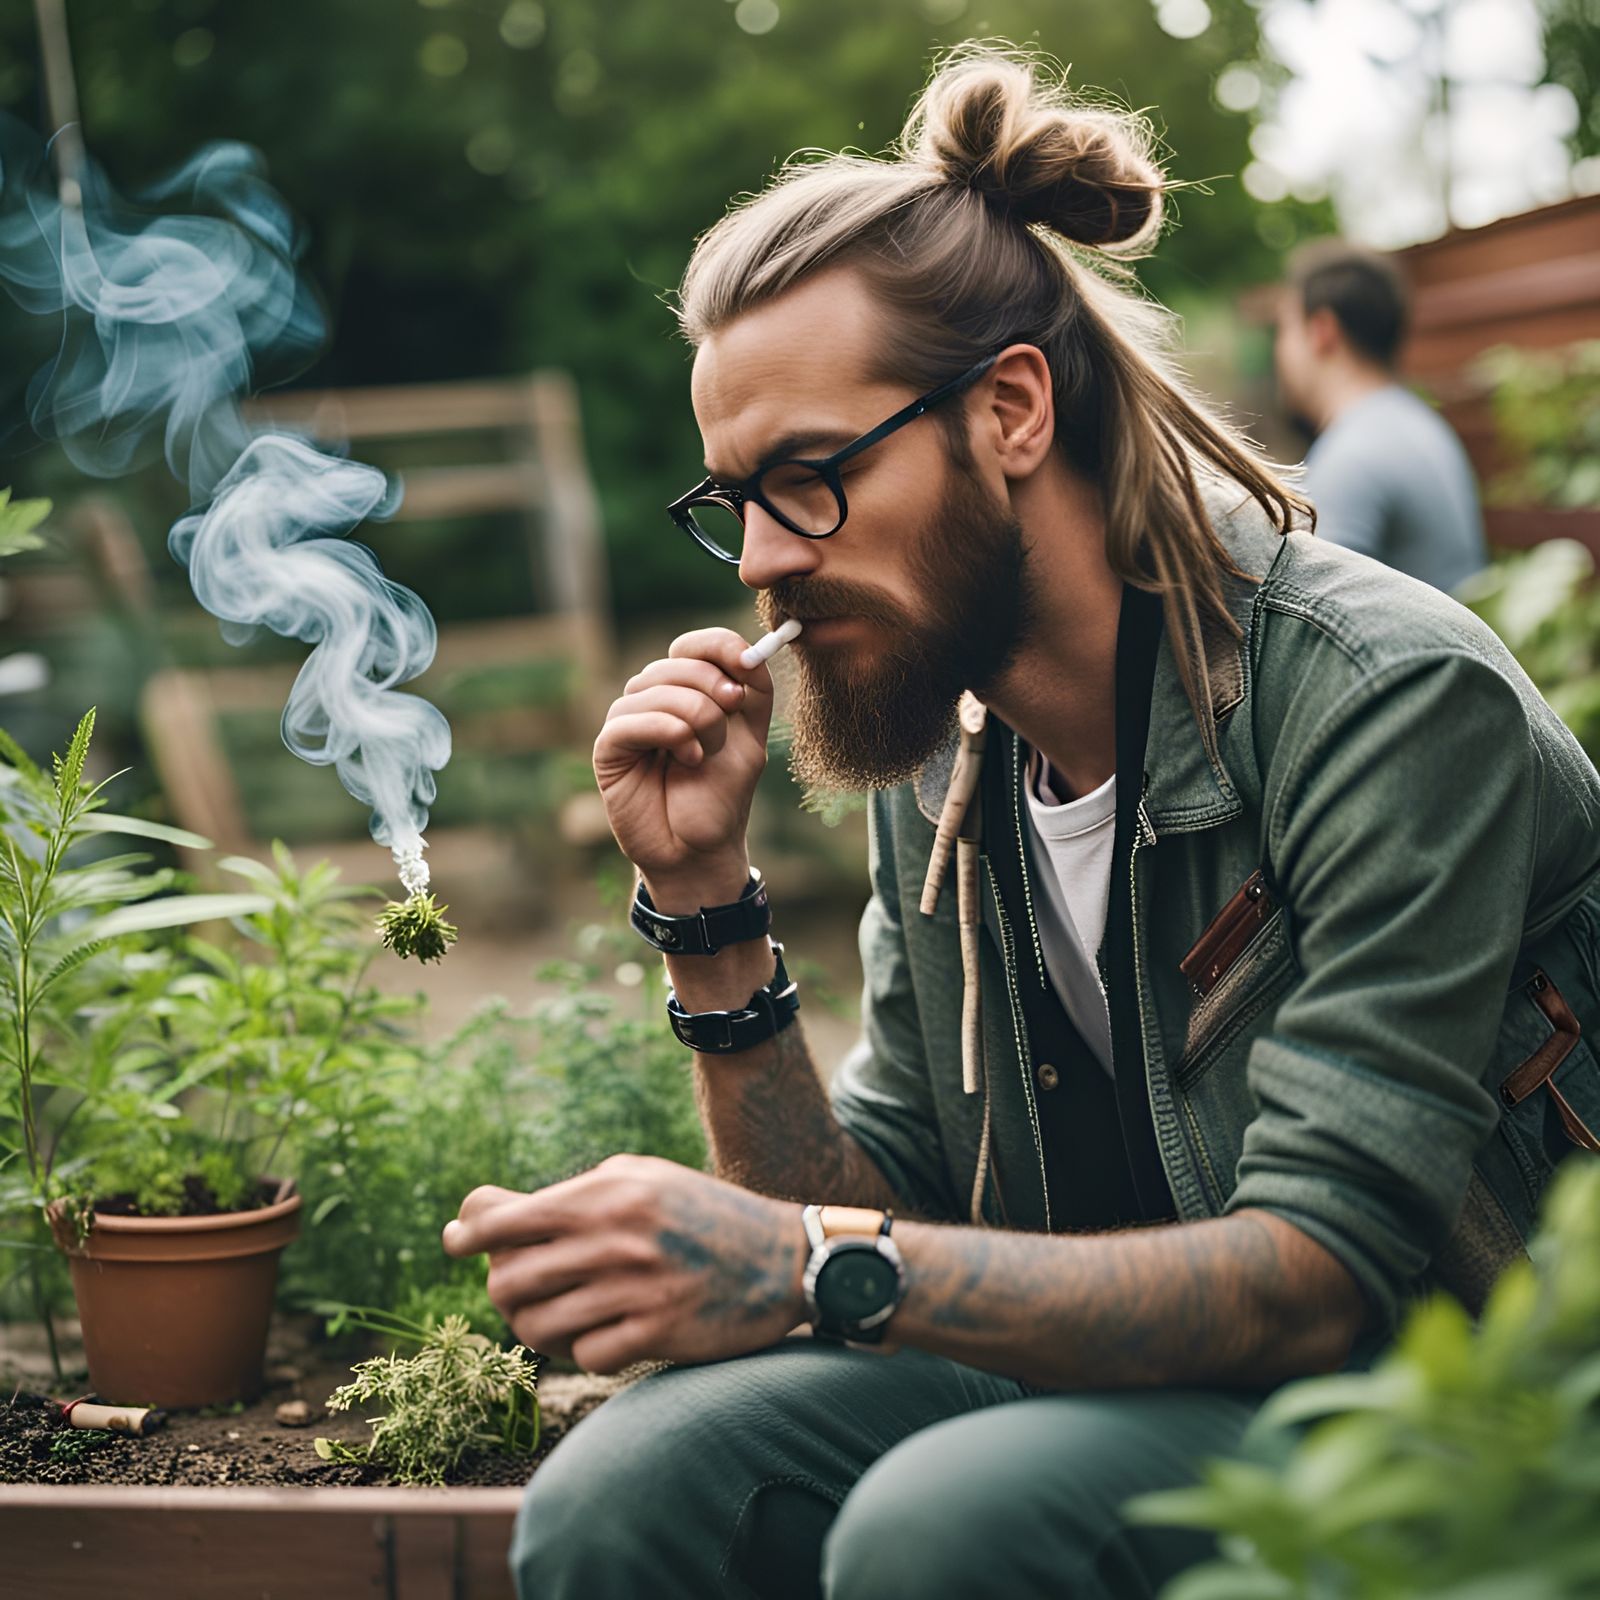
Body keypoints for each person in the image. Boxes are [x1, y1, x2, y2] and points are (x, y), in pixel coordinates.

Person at [442, 44, 1600, 1600]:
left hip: (1430, 1399)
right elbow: (886, 1202)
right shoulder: (940, 734)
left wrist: (799, 1268)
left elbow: (1325, 1275)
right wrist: (706, 906)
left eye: (810, 480)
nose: (762, 563)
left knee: (950, 1524)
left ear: (1009, 410)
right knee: (622, 1496)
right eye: (735, 500)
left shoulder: (1380, 699)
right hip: (1124, 1382)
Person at [1274, 238, 1488, 592]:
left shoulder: (1350, 457)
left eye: (1284, 329)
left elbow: (1308, 623)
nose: (1278, 351)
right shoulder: (1423, 425)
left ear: (1322, 332)